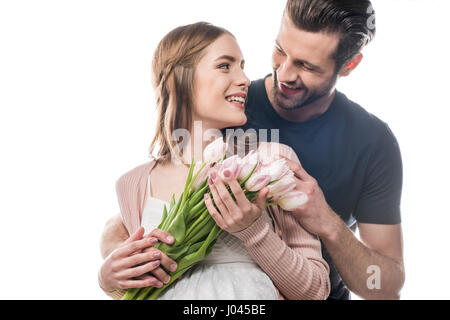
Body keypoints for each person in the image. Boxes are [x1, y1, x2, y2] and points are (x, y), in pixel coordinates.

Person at [98, 21, 330, 300]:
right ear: (177, 79)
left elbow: (315, 291)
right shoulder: (133, 184)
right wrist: (108, 281)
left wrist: (253, 231)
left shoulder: (270, 161)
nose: (244, 79)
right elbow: (145, 288)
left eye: (242, 66)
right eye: (225, 65)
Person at [225, 0, 405, 300]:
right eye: (280, 50)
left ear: (349, 65)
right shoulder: (226, 108)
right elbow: (147, 206)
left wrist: (327, 223)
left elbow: (384, 288)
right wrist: (115, 254)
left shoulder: (373, 142)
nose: (283, 73)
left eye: (306, 65)